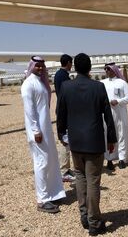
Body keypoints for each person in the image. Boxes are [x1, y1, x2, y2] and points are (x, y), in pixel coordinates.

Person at [57, 53, 117, 236]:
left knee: (80, 178)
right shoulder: (98, 87)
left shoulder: (67, 87)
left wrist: (61, 134)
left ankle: (84, 216)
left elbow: (60, 113)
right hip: (94, 142)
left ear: (74, 67)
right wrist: (112, 139)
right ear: (90, 67)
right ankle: (94, 222)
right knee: (93, 181)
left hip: (75, 142)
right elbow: (108, 114)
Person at [21, 56, 66, 214]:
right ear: (32, 66)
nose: (40, 68)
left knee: (51, 160)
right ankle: (42, 200)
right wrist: (35, 130)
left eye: (42, 66)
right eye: (37, 66)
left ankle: (53, 193)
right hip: (38, 132)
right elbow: (29, 109)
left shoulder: (40, 82)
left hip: (45, 129)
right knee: (42, 163)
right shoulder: (28, 84)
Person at [102, 63, 128, 170]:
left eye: (108, 69)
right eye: (105, 69)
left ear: (114, 70)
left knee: (121, 134)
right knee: (108, 135)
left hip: (120, 112)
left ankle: (122, 158)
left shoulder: (122, 83)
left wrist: (118, 101)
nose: (106, 71)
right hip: (106, 113)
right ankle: (109, 159)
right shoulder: (102, 83)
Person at [53, 54, 75, 182]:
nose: (71, 65)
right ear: (67, 63)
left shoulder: (60, 75)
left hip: (63, 109)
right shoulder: (63, 76)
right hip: (64, 111)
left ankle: (66, 168)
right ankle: (64, 170)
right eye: (71, 63)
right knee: (65, 140)